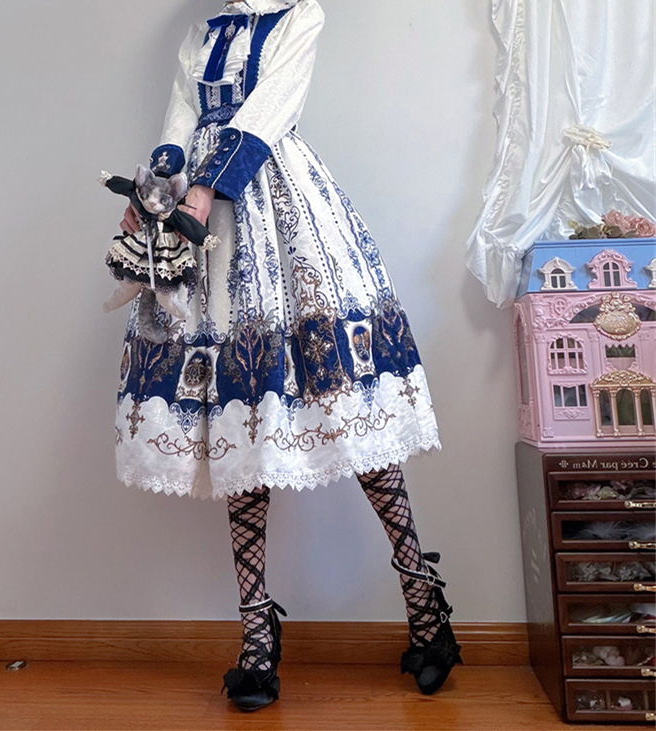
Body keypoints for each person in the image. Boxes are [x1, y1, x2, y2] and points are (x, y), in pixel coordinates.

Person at [114, 0, 462, 712]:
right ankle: (256, 635)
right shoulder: (202, 31)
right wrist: (155, 196)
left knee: (345, 401)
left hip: (281, 212)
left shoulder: (301, 15)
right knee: (234, 417)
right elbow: (177, 127)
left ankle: (423, 600)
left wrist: (206, 187)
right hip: (201, 225)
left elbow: (271, 109)